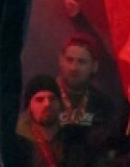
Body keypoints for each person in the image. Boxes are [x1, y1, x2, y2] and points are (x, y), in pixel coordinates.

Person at [54, 33, 121, 167]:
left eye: (82, 62)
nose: (74, 68)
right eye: (69, 60)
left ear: (94, 66)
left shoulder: (104, 105)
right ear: (61, 61)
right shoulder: (43, 97)